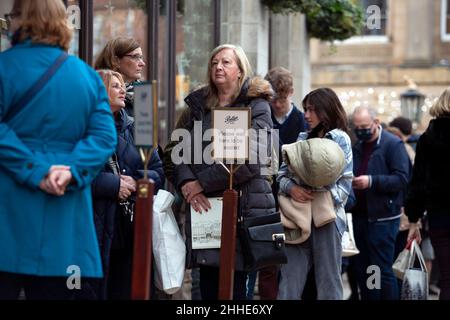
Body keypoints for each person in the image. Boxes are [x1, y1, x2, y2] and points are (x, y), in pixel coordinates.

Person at [0, 0, 117, 300]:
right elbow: (104, 136)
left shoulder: (4, 67)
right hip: (66, 218)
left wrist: (36, 171)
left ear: (20, 19)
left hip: (8, 215)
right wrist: (72, 171)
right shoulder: (87, 76)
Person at [163, 44, 276, 300]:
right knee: (209, 288)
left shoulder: (257, 106)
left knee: (235, 291)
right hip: (205, 211)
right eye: (214, 63)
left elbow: (250, 160)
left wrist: (200, 183)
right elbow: (177, 152)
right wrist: (188, 183)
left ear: (239, 70)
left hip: (244, 210)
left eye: (226, 62)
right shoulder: (199, 105)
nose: (218, 67)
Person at [76, 70, 164, 300]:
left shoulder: (140, 125)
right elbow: (73, 173)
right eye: (115, 86)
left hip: (132, 225)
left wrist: (136, 183)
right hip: (93, 222)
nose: (123, 90)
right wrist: (113, 184)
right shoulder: (80, 126)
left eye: (123, 85)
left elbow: (158, 172)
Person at [277, 87, 353, 300]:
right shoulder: (301, 138)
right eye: (305, 110)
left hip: (327, 220)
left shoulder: (340, 139)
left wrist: (322, 193)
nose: (306, 115)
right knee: (289, 282)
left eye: (311, 110)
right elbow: (280, 176)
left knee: (329, 283)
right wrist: (292, 188)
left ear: (326, 110)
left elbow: (346, 184)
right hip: (296, 216)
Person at [245, 67, 307, 300]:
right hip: (264, 198)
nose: (277, 105)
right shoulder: (261, 116)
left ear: (291, 92)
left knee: (291, 262)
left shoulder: (302, 122)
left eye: (281, 99)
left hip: (293, 201)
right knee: (267, 263)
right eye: (273, 99)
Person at [350, 106, 410, 300]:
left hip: (383, 218)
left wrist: (372, 181)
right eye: (356, 127)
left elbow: (401, 179)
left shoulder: (393, 145)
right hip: (360, 217)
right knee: (367, 269)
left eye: (365, 126)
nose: (361, 130)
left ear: (376, 123)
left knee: (382, 269)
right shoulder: (357, 145)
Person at [405, 87, 450, 300]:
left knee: (447, 279)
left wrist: (414, 220)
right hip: (439, 215)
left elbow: (418, 184)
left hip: (440, 217)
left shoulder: (427, 138)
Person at [94, 37, 146, 117]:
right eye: (135, 57)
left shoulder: (143, 94)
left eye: (141, 57)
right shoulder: (96, 93)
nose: (142, 63)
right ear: (116, 61)